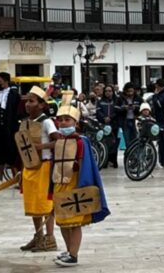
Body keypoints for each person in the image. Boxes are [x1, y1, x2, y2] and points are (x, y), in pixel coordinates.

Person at [49, 106, 110, 267]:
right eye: (60, 120)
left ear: (75, 123)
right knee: (62, 221)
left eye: (67, 119)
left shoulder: (81, 141)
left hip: (74, 183)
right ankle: (69, 251)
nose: (63, 123)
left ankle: (74, 255)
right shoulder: (58, 141)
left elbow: (84, 164)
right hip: (59, 183)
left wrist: (81, 186)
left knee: (75, 222)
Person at [18, 86, 58, 252]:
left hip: (44, 167)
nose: (28, 104)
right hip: (30, 167)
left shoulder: (47, 122)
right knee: (33, 204)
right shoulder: (25, 123)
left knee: (45, 203)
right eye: (27, 101)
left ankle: (50, 238)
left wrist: (41, 146)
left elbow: (58, 141)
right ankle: (38, 235)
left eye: (32, 101)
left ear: (41, 105)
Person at [0, 72, 22, 181]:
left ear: (6, 81)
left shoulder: (14, 95)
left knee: (12, 154)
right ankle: (0, 179)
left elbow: (18, 111)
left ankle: (15, 179)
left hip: (11, 129)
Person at [96, 85, 119, 168]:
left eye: (110, 91)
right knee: (105, 143)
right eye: (106, 91)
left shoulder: (116, 101)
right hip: (103, 125)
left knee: (114, 143)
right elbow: (98, 112)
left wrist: (110, 117)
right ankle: (105, 161)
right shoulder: (100, 101)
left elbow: (117, 111)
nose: (108, 93)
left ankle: (113, 161)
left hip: (114, 125)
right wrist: (104, 118)